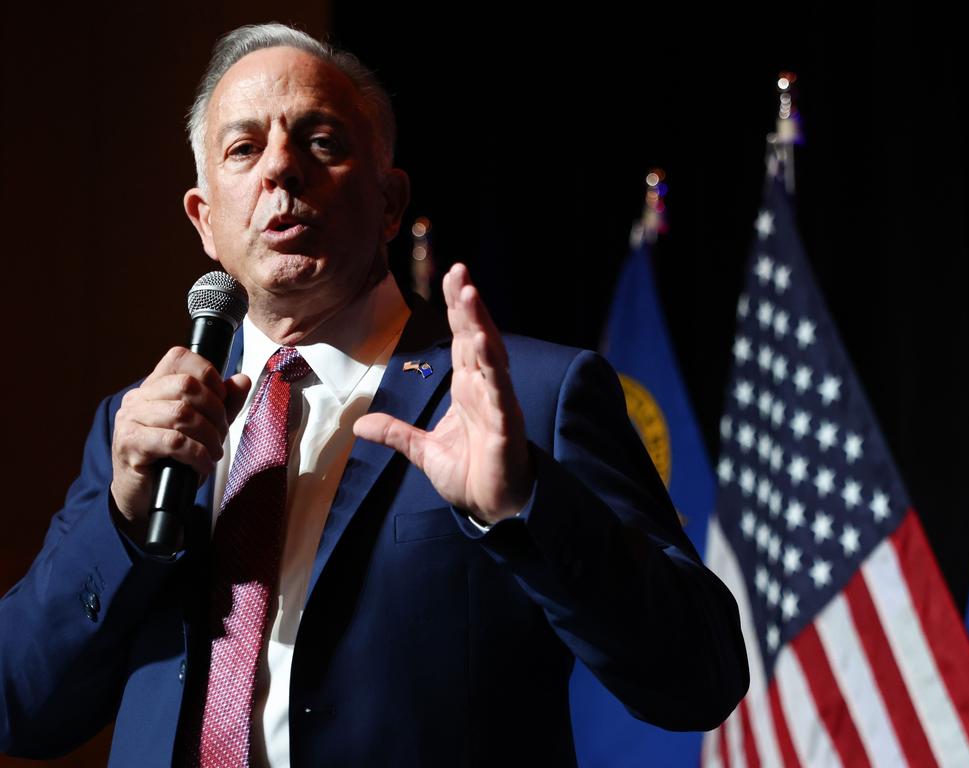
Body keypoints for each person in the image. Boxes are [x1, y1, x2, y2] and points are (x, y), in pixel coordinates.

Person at [0, 23, 747, 767]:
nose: (282, 170)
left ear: (390, 202)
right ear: (204, 220)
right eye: (244, 148)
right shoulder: (141, 431)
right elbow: (20, 708)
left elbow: (700, 680)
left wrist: (525, 504)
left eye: (321, 142)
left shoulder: (531, 397)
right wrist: (124, 522)